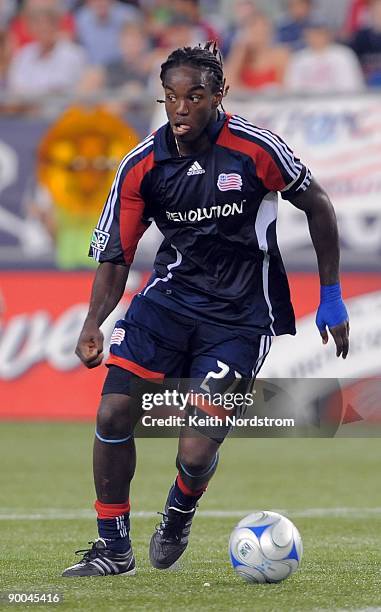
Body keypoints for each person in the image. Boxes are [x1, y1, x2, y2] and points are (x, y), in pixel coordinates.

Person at [62, 42, 349, 577]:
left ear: (220, 94)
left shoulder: (256, 149)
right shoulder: (142, 165)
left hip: (241, 315)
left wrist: (331, 297)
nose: (181, 109)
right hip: (167, 302)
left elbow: (319, 205)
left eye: (195, 96)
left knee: (194, 450)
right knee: (113, 410)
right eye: (171, 97)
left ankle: (179, 510)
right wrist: (92, 322)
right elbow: (117, 255)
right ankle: (112, 547)